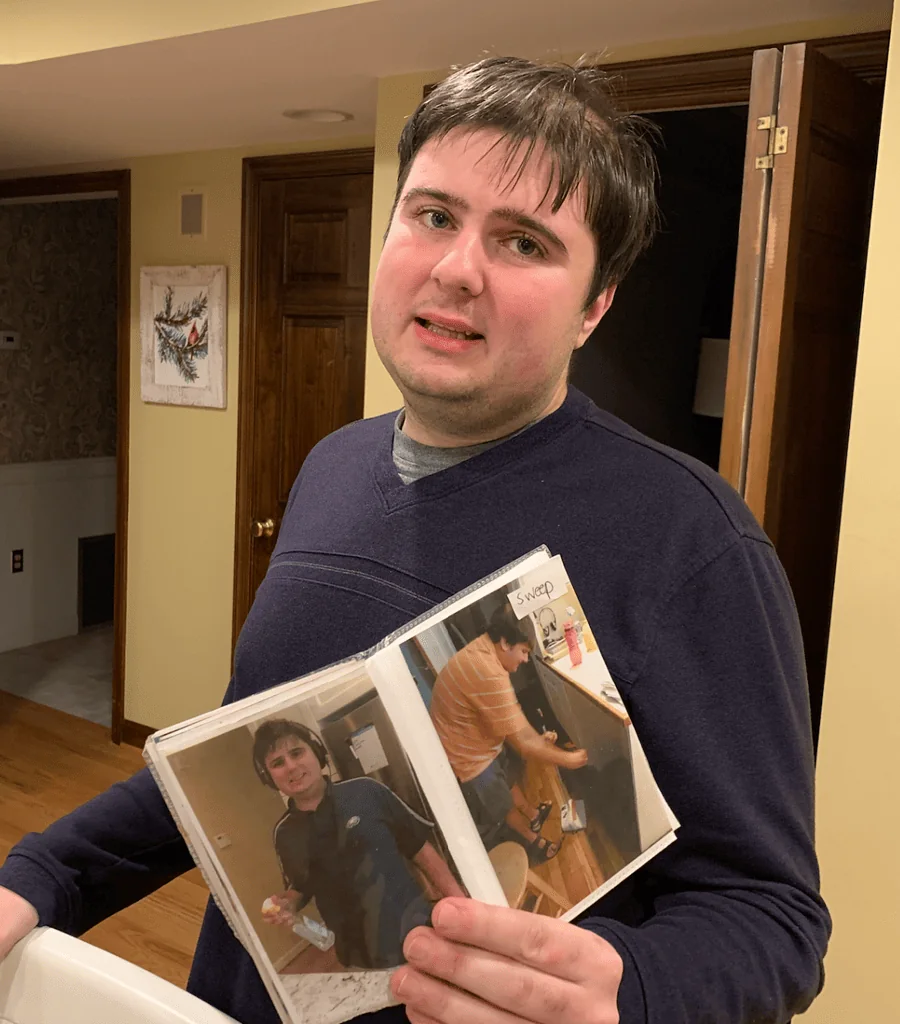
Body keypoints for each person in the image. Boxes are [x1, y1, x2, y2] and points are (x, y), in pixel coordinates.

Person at [0, 55, 830, 1024]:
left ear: (594, 304)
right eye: (434, 216)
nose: (456, 268)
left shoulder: (691, 541)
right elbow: (231, 777)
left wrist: (631, 989)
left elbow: (773, 916)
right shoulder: (333, 467)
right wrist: (42, 873)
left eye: (523, 241)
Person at [252, 719, 463, 970]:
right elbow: (300, 887)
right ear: (269, 778)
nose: (291, 767)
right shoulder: (284, 834)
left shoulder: (366, 791)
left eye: (297, 753)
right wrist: (286, 904)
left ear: (316, 752)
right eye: (277, 763)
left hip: (417, 929)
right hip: (358, 958)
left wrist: (460, 906)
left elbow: (421, 849)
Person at [429, 604, 588, 861]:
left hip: (477, 736)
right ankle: (533, 840)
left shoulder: (484, 649)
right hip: (467, 756)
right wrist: (569, 758)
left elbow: (516, 726)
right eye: (524, 651)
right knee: (501, 803)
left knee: (508, 779)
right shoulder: (488, 671)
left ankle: (534, 815)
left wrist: (537, 740)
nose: (526, 659)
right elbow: (524, 741)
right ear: (504, 643)